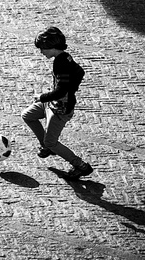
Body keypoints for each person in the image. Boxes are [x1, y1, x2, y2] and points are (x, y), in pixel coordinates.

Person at [21, 26, 94, 180]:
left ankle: (80, 166)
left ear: (52, 47)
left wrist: (42, 97)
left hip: (60, 110)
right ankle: (47, 147)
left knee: (52, 141)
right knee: (27, 115)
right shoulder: (65, 57)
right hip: (52, 103)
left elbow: (61, 91)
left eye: (43, 49)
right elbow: (80, 71)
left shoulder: (61, 64)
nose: (41, 52)